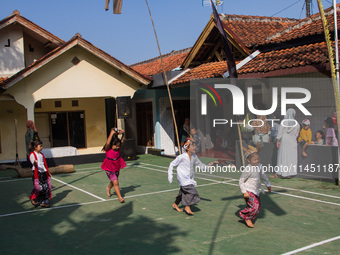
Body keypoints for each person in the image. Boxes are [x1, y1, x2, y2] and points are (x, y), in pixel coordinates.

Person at [168, 139, 214, 215]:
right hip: (182, 177)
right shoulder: (181, 157)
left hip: (189, 178)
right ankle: (187, 206)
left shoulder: (194, 157)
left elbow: (200, 164)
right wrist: (170, 175)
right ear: (187, 148)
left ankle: (175, 204)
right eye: (193, 146)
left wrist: (208, 166)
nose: (195, 147)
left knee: (183, 192)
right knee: (192, 192)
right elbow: (172, 164)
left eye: (195, 146)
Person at [239, 145, 271, 228]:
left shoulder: (259, 166)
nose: (256, 161)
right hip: (248, 190)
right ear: (249, 160)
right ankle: (245, 216)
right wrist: (244, 192)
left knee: (258, 207)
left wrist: (268, 185)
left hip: (255, 191)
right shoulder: (248, 169)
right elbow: (241, 181)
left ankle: (248, 216)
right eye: (254, 159)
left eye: (257, 159)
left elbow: (263, 176)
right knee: (255, 207)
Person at [272, 108, 300, 178]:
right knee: (291, 157)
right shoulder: (297, 124)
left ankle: (279, 173)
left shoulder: (284, 122)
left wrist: (278, 140)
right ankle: (288, 173)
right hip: (292, 140)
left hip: (284, 139)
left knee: (282, 156)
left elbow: (280, 132)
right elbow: (296, 134)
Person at [101, 128, 126, 203]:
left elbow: (122, 141)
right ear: (111, 145)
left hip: (116, 166)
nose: (117, 147)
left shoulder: (118, 149)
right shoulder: (108, 149)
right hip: (109, 168)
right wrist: (111, 133)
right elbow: (108, 143)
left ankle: (108, 188)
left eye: (118, 146)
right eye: (115, 146)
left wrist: (123, 133)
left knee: (113, 181)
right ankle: (120, 198)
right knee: (116, 182)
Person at [29, 140, 52, 208]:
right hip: (37, 173)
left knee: (46, 187)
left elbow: (43, 165)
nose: (41, 147)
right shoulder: (32, 154)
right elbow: (33, 162)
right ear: (35, 147)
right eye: (40, 146)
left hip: (43, 173)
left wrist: (47, 173)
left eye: (41, 146)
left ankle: (44, 202)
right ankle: (33, 198)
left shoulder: (41, 155)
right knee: (39, 188)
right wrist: (35, 162)